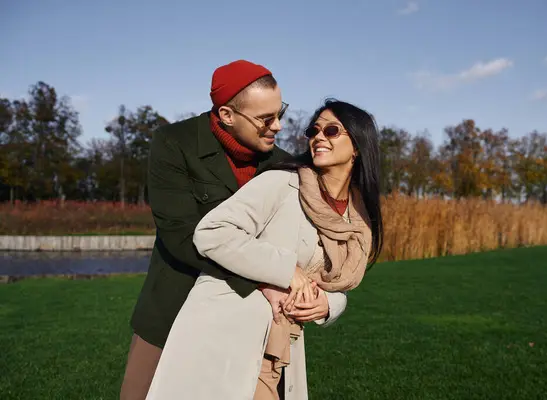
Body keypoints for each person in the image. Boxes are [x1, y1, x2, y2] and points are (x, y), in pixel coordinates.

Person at [119, 60, 347, 400]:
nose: (279, 126)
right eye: (265, 119)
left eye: (280, 112)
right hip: (172, 309)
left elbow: (319, 250)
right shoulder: (173, 143)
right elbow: (181, 235)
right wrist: (265, 277)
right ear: (226, 115)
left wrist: (330, 303)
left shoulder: (288, 166)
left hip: (252, 326)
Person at [145, 99, 384, 399]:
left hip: (281, 343)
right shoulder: (282, 183)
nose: (319, 137)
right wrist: (288, 271)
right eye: (314, 130)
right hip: (230, 329)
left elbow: (335, 281)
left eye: (332, 130)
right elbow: (211, 232)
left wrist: (328, 305)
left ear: (358, 146)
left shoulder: (357, 219)